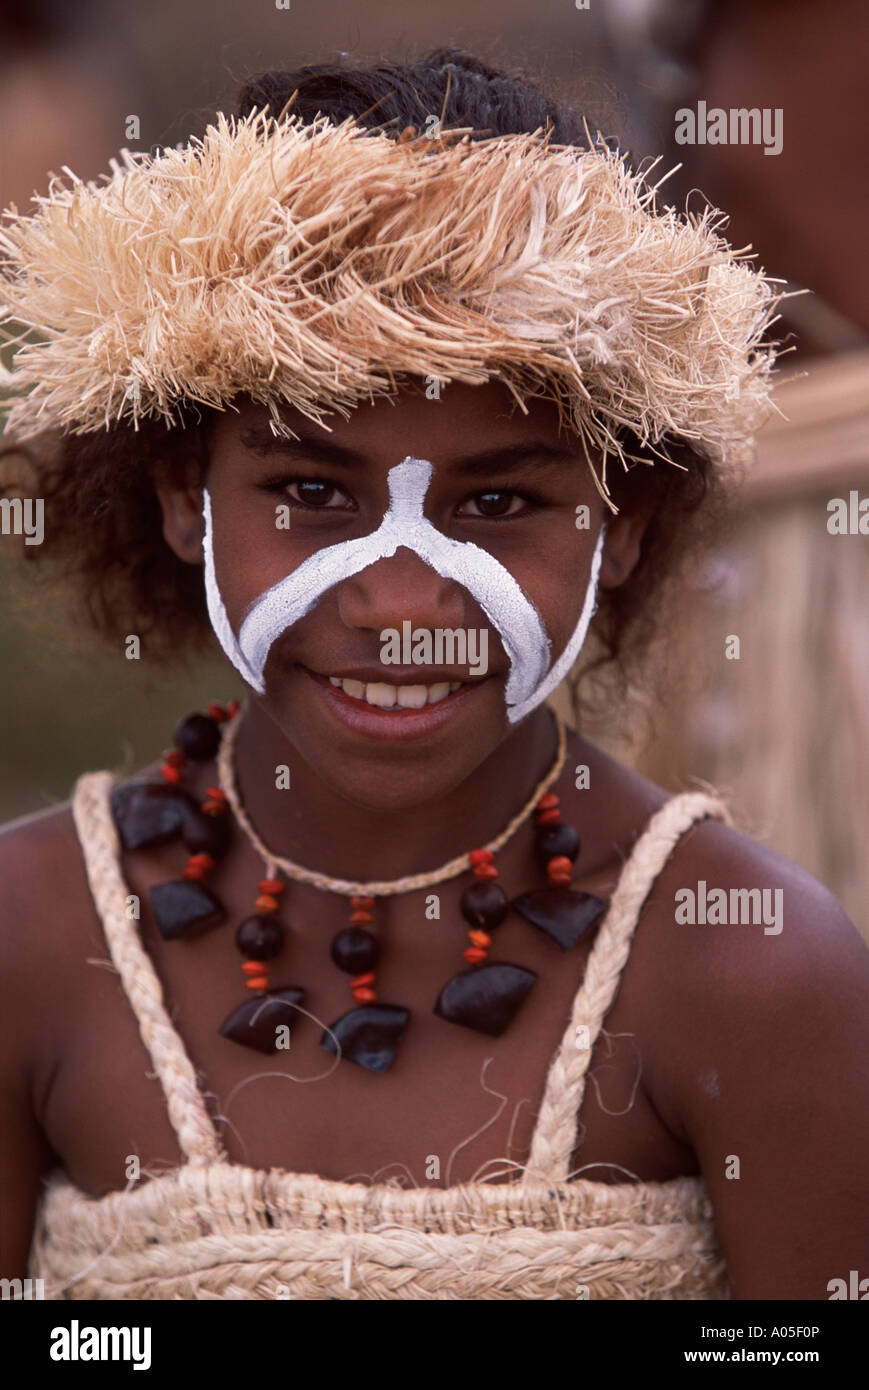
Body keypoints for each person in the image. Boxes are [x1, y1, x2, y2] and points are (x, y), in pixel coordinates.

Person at [1, 49, 866, 1301]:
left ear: (619, 524)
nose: (404, 601)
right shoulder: (33, 936)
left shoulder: (753, 968)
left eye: (501, 500)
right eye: (309, 493)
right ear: (183, 496)